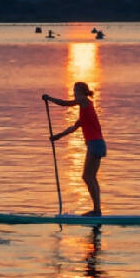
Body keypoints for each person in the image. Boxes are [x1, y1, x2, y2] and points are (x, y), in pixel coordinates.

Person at [44, 82, 106, 216]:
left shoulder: (84, 101)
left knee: (88, 177)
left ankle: (97, 211)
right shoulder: (85, 111)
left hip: (95, 144)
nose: (74, 93)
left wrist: (49, 98)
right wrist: (58, 136)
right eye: (73, 90)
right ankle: (97, 210)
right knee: (90, 177)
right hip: (96, 144)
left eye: (75, 90)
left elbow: (64, 104)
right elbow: (73, 128)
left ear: (82, 92)